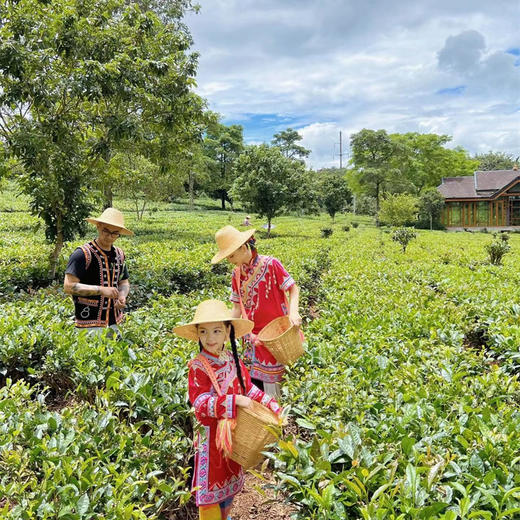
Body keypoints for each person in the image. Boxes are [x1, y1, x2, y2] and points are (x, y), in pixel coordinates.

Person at [173, 299, 281, 520]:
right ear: (197, 334)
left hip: (233, 437)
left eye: (216, 331)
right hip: (211, 443)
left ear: (227, 332)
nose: (210, 338)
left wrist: (272, 405)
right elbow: (200, 404)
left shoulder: (232, 359)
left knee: (229, 490)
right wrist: (234, 401)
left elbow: (248, 388)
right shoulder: (198, 366)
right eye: (203, 331)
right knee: (209, 495)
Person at [211, 225, 302, 397]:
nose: (230, 260)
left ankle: (276, 421)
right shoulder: (236, 274)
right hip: (251, 340)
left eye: (231, 255)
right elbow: (237, 308)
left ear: (244, 247)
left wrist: (294, 312)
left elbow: (293, 289)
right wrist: (224, 332)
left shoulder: (271, 264)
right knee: (253, 387)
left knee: (273, 389)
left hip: (275, 337)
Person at [63, 207, 133, 337]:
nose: (109, 236)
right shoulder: (82, 254)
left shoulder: (120, 254)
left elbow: (124, 281)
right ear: (98, 226)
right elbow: (68, 286)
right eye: (106, 231)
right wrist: (101, 290)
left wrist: (122, 295)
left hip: (115, 321)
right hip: (88, 322)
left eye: (115, 233)